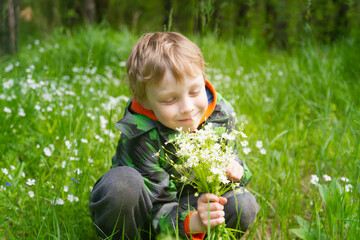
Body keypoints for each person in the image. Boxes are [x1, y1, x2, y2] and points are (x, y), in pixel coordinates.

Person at [89, 32, 259, 240]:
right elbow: (157, 202)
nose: (187, 109)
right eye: (169, 100)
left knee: (243, 205)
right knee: (121, 186)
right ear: (145, 101)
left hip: (197, 204)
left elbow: (231, 162)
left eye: (195, 92)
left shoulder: (219, 113)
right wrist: (191, 223)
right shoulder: (139, 133)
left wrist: (237, 170)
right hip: (143, 214)